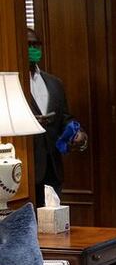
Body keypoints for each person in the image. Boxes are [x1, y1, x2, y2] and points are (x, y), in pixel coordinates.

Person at [27, 28, 88, 206]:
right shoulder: (12, 83)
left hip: (53, 168)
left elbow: (65, 119)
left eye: (36, 44)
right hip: (28, 169)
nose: (33, 49)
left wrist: (79, 135)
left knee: (54, 226)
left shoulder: (54, 83)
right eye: (28, 45)